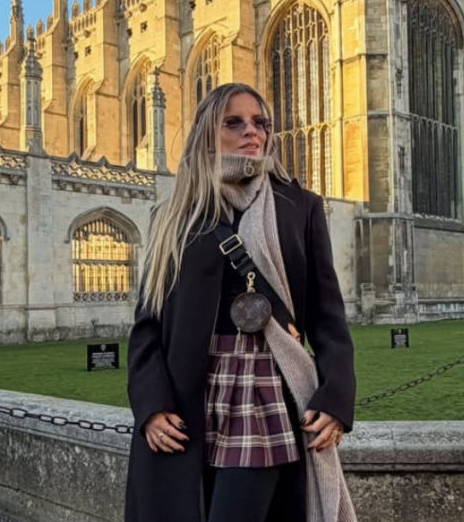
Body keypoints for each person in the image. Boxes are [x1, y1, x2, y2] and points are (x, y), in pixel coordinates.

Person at [124, 82, 358, 522]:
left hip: (264, 387)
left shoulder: (299, 206)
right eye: (234, 122)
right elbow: (147, 325)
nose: (252, 132)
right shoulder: (173, 215)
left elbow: (327, 315)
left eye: (260, 123)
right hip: (186, 397)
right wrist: (150, 406)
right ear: (206, 132)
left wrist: (336, 396)